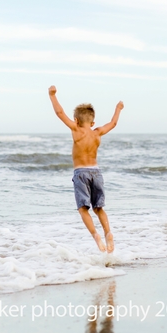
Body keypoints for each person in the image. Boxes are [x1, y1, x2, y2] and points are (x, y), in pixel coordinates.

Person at [48, 85, 124, 253]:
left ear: (75, 120)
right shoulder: (97, 133)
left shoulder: (76, 130)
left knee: (83, 209)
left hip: (81, 172)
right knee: (99, 208)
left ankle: (96, 235)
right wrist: (118, 108)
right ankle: (108, 232)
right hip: (96, 172)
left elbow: (60, 113)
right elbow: (113, 123)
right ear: (93, 122)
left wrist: (52, 96)